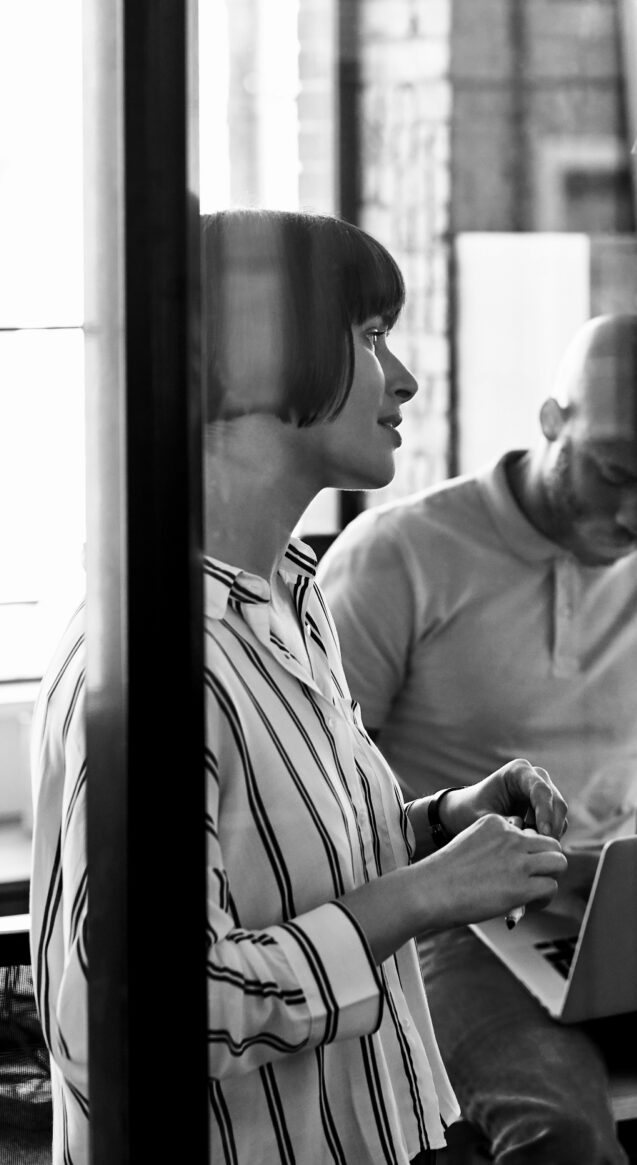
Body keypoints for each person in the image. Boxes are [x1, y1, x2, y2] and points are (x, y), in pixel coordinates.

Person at [31, 209, 578, 1165]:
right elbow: (123, 1019)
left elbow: (274, 867)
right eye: (370, 339)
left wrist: (436, 823)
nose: (402, 377)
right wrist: (420, 896)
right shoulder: (154, 662)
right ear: (251, 368)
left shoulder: (289, 597)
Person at [321, 314, 637, 1165]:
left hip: (621, 914)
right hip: (454, 922)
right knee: (562, 1135)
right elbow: (322, 809)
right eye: (615, 473)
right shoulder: (399, 556)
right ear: (552, 421)